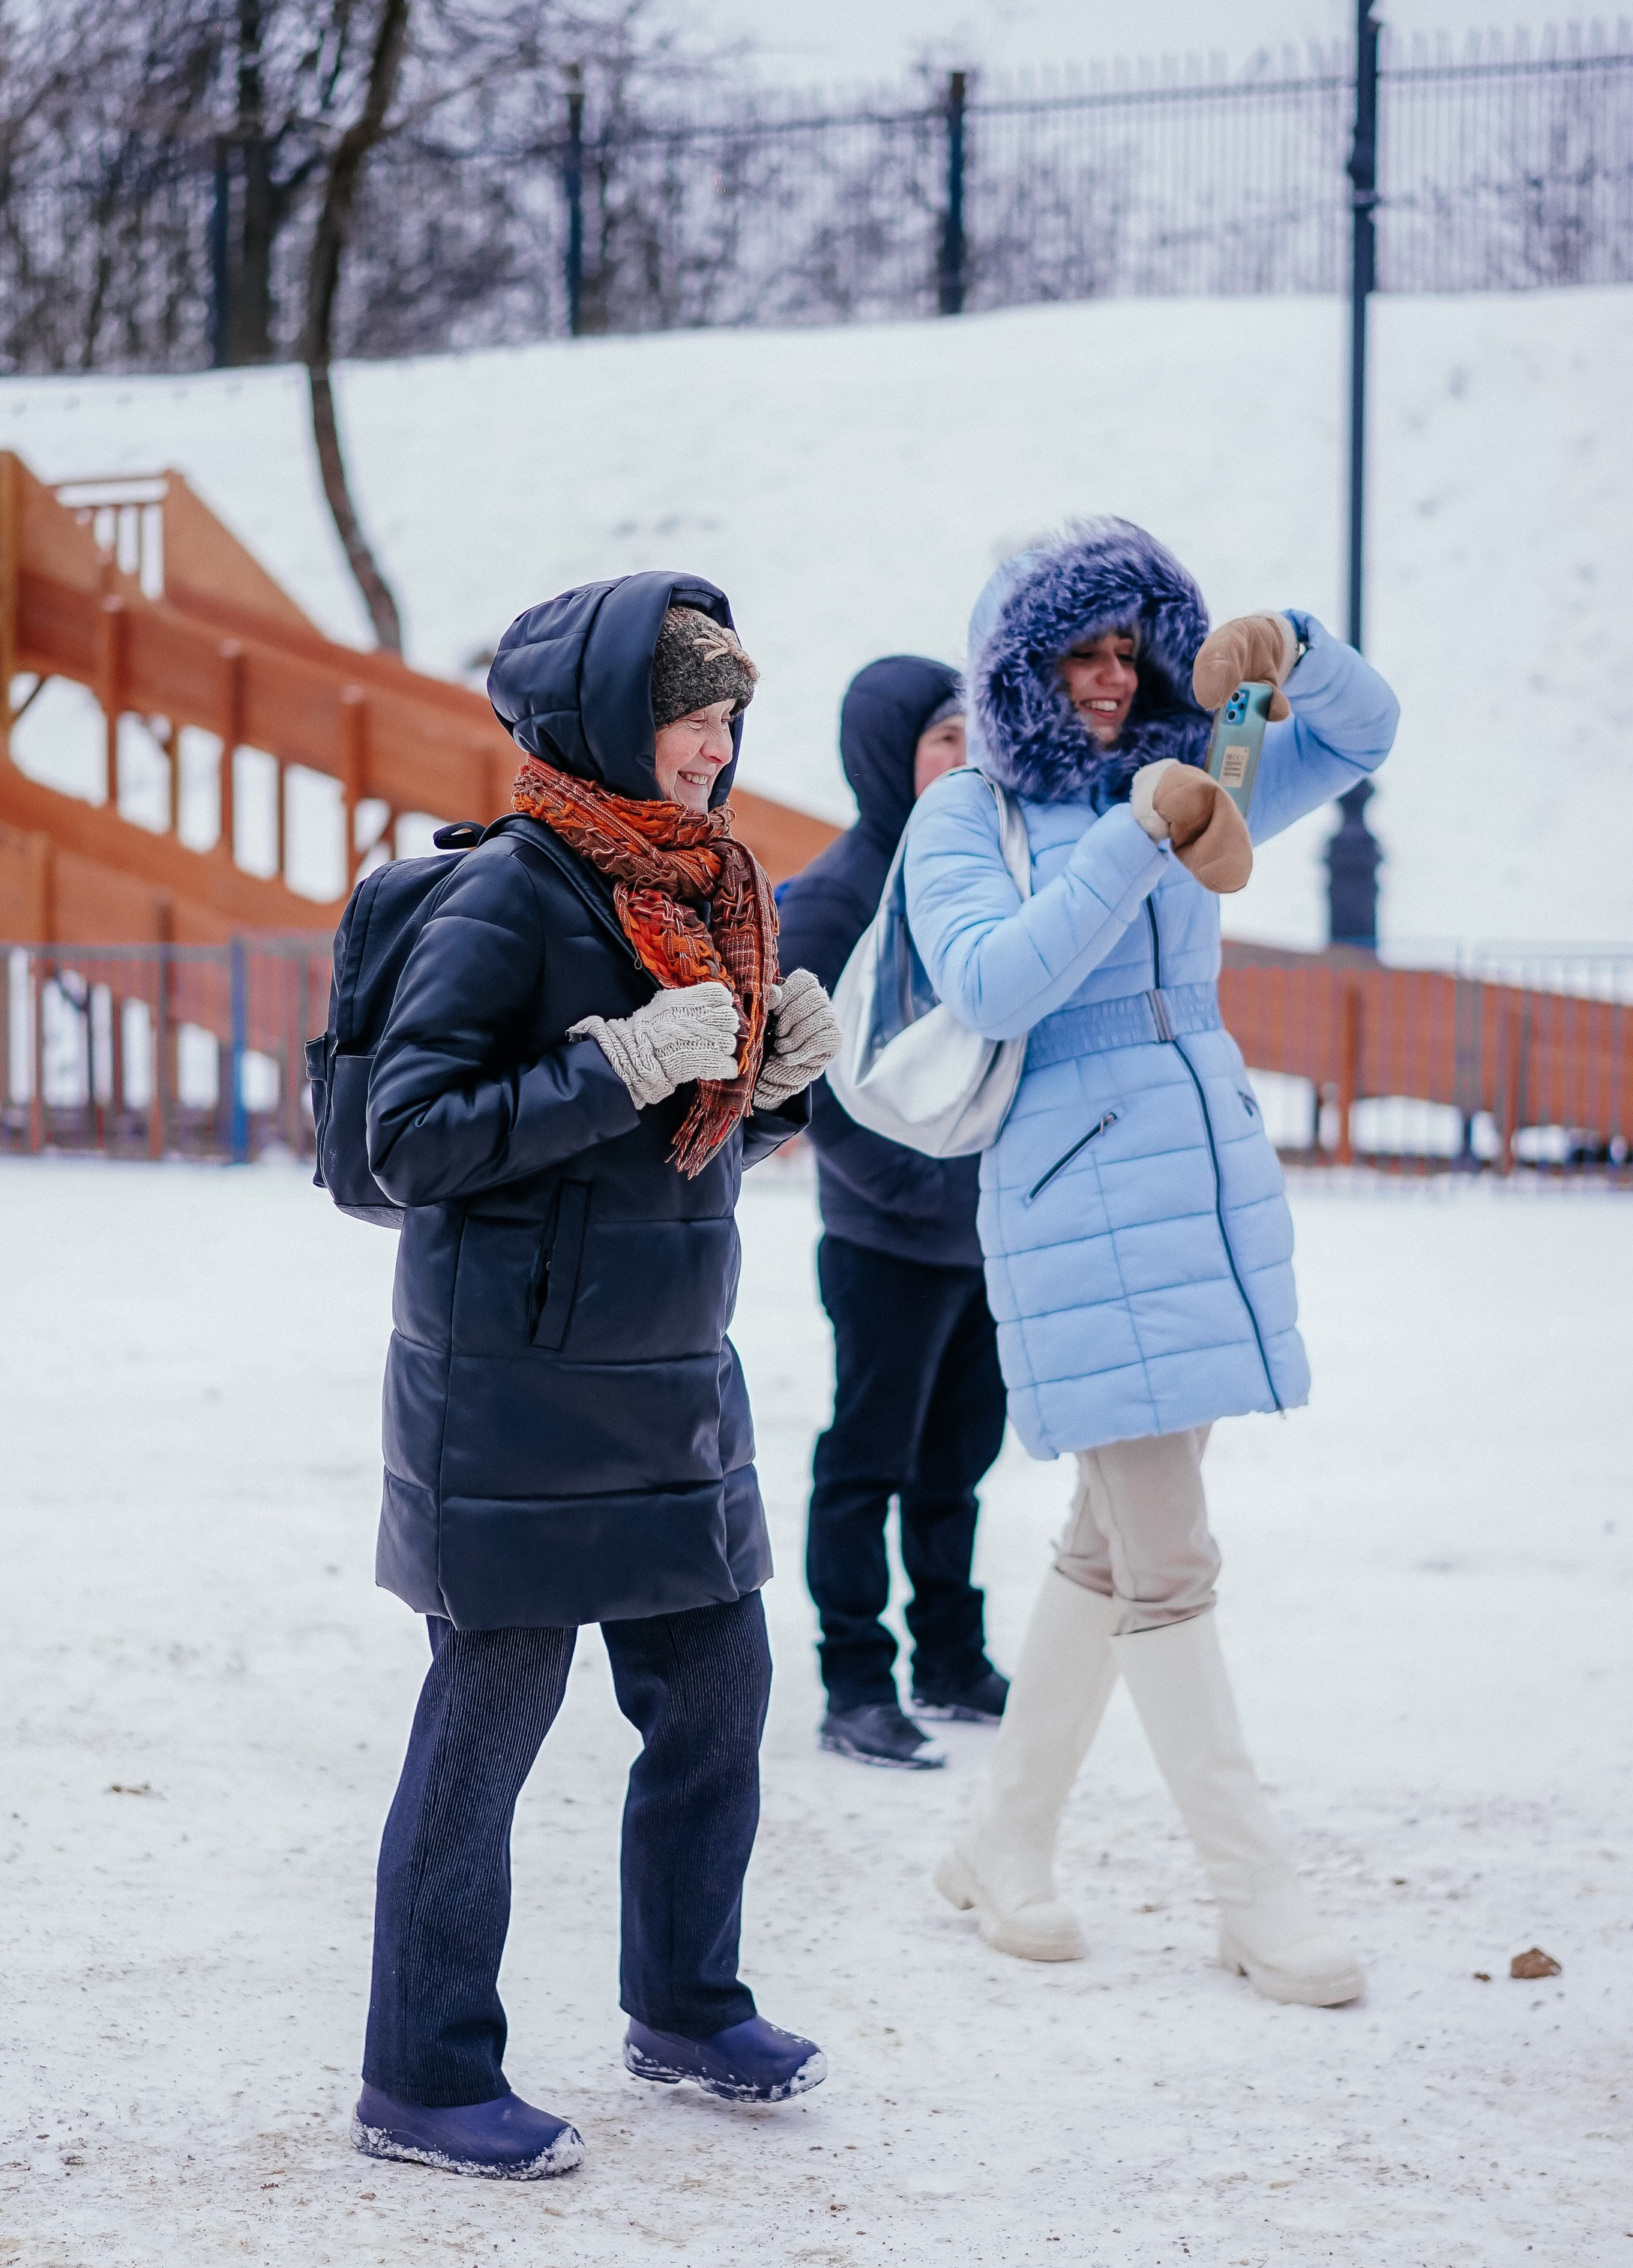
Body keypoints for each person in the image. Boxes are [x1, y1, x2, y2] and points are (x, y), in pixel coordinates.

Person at [355, 576, 844, 2178]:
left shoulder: (702, 888)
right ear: (612, 724)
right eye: (689, 722)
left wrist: (766, 1099)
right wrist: (615, 1061)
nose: (712, 754)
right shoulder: (511, 894)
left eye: (723, 725)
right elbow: (410, 1139)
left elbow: (670, 1152)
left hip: (667, 1379)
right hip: (513, 1390)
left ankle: (686, 2004)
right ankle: (422, 2076)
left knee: (717, 1694)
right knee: (490, 1717)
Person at [901, 519, 1398, 2008]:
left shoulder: (1202, 773)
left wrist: (1292, 650)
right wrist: (1132, 831)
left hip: (1191, 1180)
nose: (1112, 678)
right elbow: (989, 980)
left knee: (1108, 1544)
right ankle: (1257, 1901)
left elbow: (1364, 737)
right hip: (1071, 1195)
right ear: (1022, 666)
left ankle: (997, 1840)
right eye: (1083, 651)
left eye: (1131, 647)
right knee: (1168, 1559)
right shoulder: (967, 811)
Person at [778, 657, 1011, 1770]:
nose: (969, 762)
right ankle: (856, 1682)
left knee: (957, 1462)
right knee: (866, 1461)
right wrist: (924, 1195)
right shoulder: (834, 896)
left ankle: (952, 1661)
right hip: (887, 1242)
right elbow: (806, 1084)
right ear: (888, 755)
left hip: (982, 1237)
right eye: (944, 742)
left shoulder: (974, 875)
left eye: (976, 739)